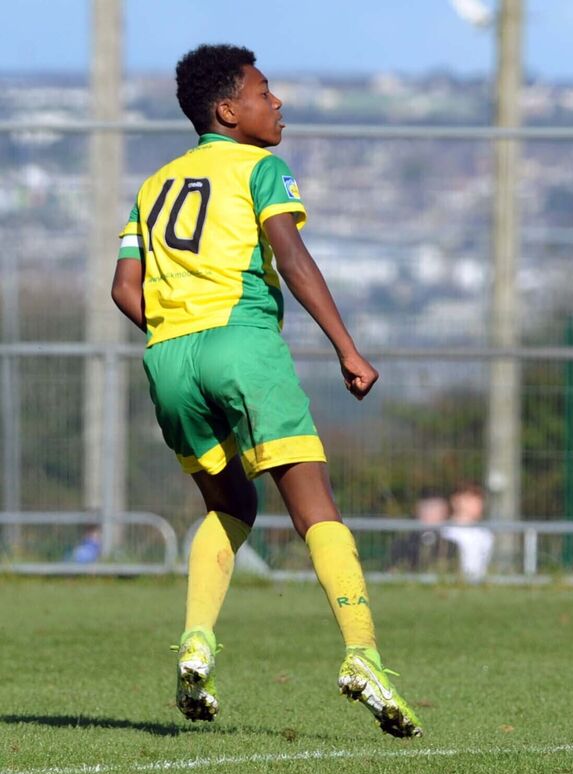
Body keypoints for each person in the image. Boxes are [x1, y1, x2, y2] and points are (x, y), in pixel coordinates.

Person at [111, 44, 421, 738]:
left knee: (232, 502)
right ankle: (362, 654)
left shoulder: (155, 184)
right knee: (314, 506)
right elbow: (291, 254)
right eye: (263, 92)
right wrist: (347, 347)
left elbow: (123, 289)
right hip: (239, 340)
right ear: (228, 110)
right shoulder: (261, 168)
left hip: (168, 355)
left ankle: (196, 641)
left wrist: (174, 339)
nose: (276, 103)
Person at [441, 482, 494, 583]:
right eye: (471, 500)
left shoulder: (485, 534)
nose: (478, 505)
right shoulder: (445, 531)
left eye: (479, 500)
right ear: (456, 501)